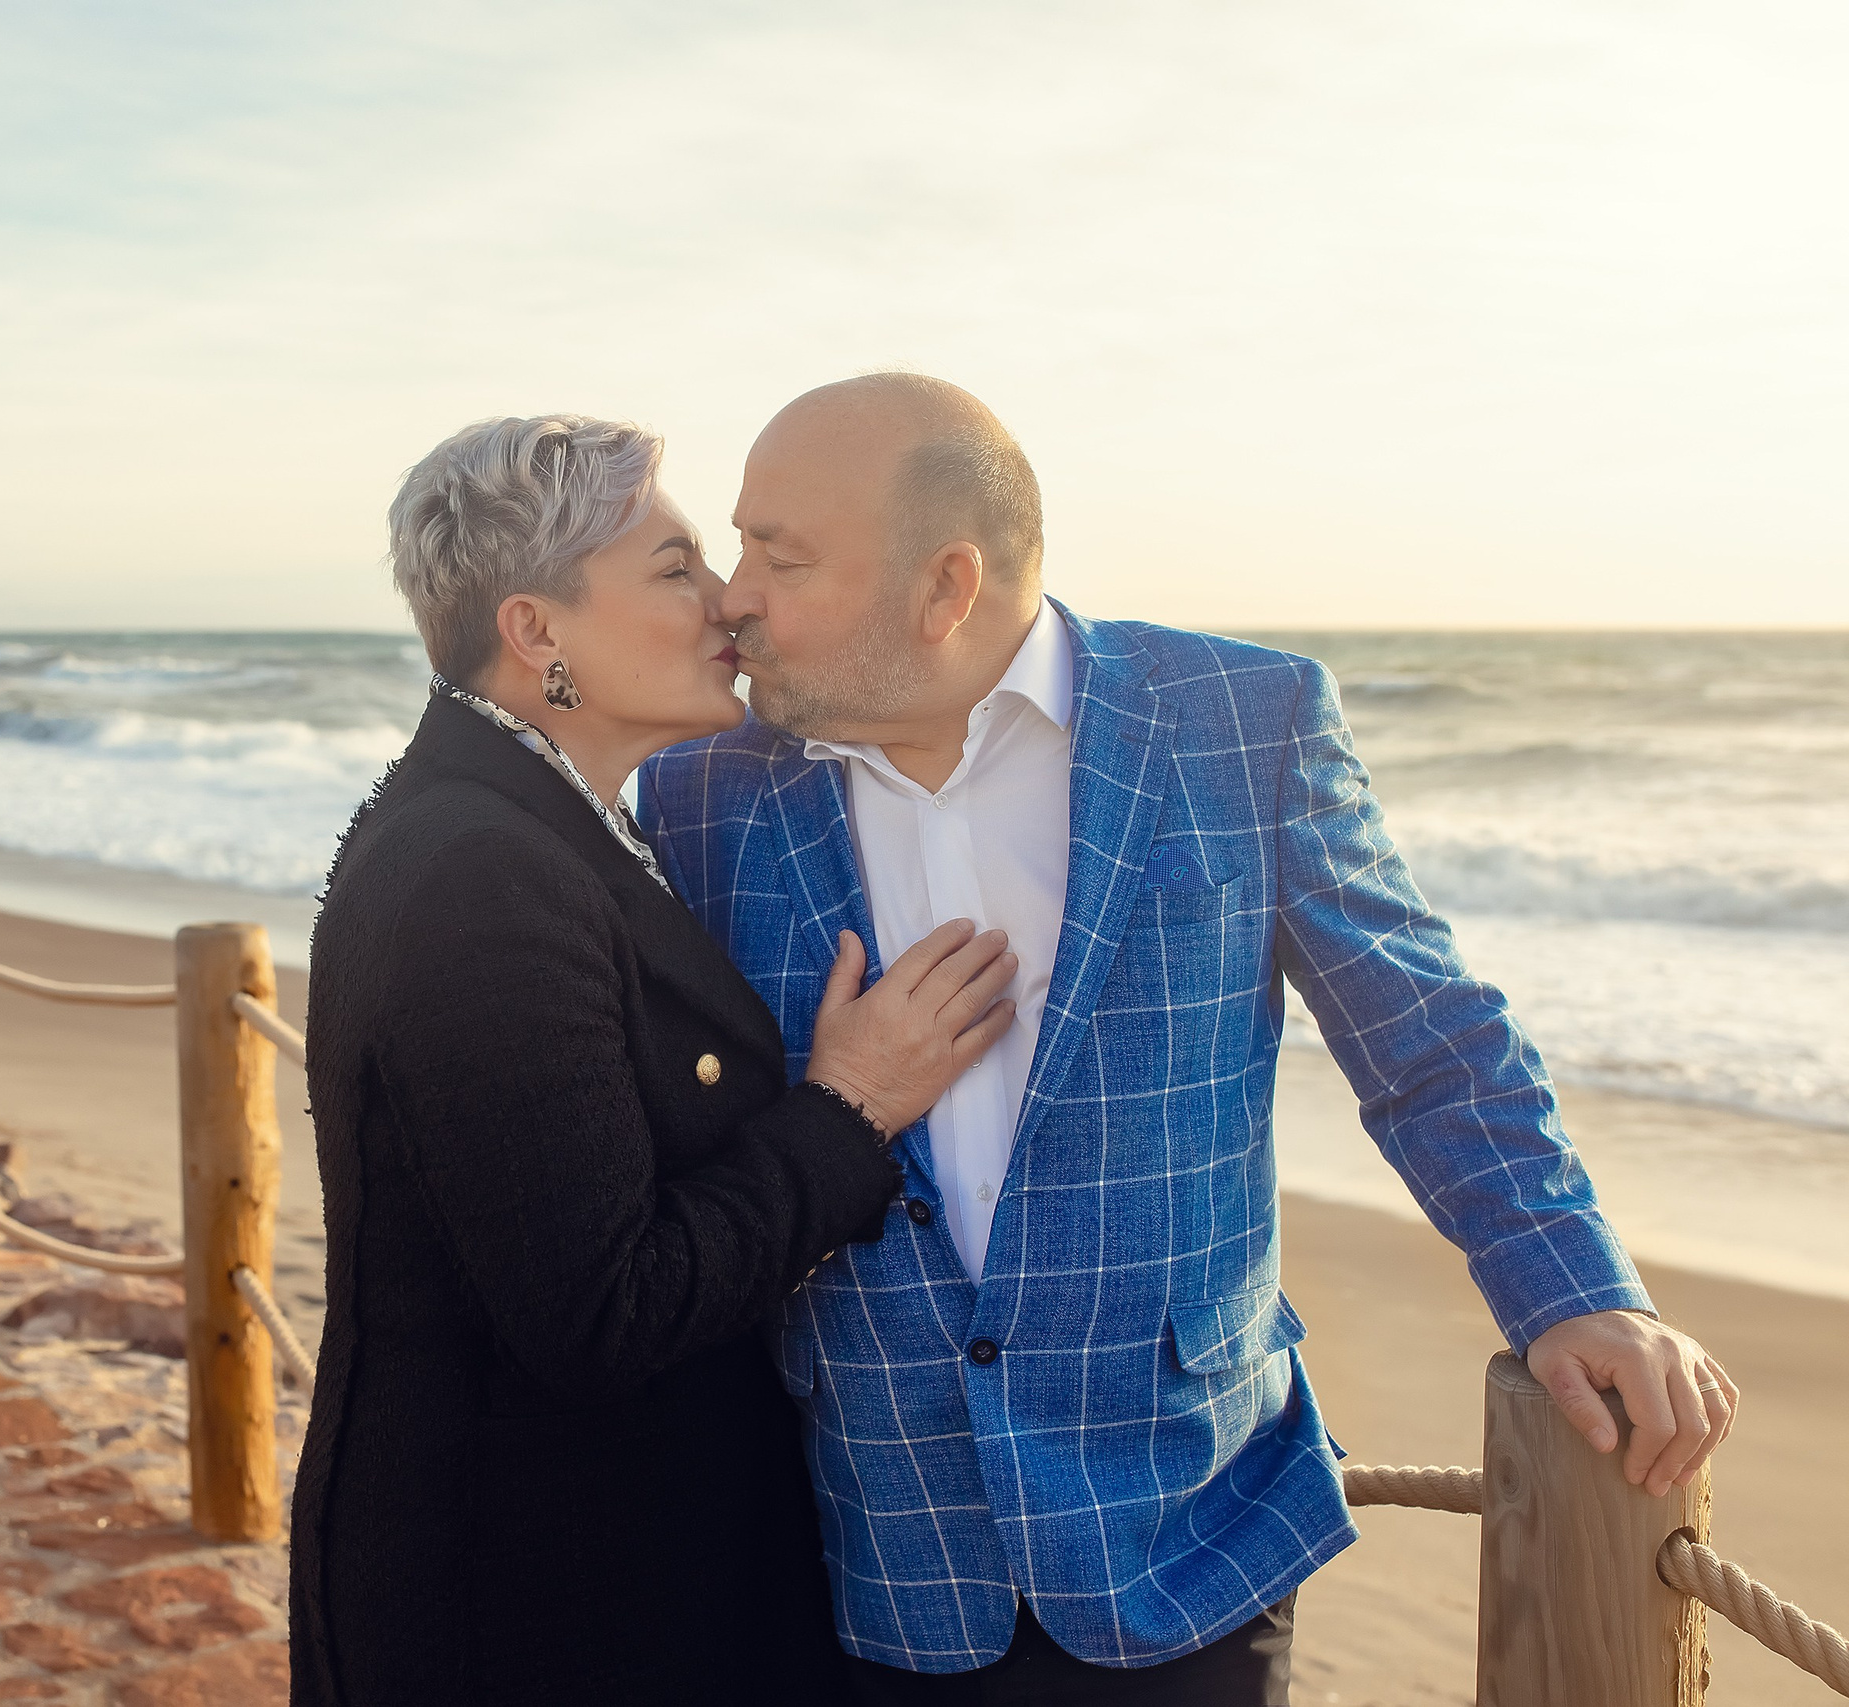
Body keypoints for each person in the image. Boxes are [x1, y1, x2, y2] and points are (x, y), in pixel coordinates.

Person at [637, 373, 1741, 1704]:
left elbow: (1427, 1032)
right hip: (874, 1546)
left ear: (944, 588)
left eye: (782, 555)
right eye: (742, 542)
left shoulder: (1242, 722)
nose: (731, 591)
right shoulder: (701, 790)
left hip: (1189, 1531)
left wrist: (1576, 1287)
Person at [289, 413, 1022, 1706]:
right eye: (678, 569)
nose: (729, 603)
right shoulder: (478, 874)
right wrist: (853, 1108)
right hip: (527, 1615)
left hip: (591, 1581)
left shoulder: (556, 830)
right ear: (539, 633)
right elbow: (602, 1307)